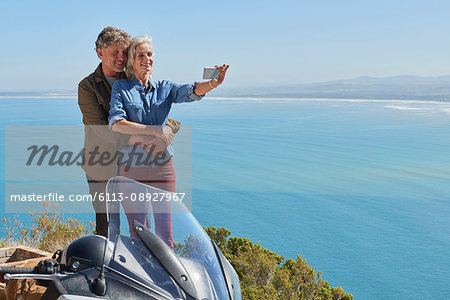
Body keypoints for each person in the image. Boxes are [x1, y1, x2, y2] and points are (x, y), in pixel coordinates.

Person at [108, 35, 229, 248]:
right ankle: (143, 276)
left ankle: (166, 280)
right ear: (132, 61)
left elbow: (190, 91)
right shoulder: (121, 88)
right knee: (138, 230)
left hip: (162, 167)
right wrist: (155, 131)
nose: (147, 59)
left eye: (150, 54)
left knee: (165, 232)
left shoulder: (165, 88)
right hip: (131, 167)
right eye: (140, 55)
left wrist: (213, 83)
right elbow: (116, 123)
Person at [78, 27, 181, 237]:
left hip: (137, 167)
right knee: (107, 228)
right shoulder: (87, 86)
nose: (121, 57)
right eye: (115, 52)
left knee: (144, 229)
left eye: (124, 52)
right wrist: (144, 137)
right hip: (103, 169)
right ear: (100, 52)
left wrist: (168, 129)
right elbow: (99, 128)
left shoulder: (135, 79)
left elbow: (158, 115)